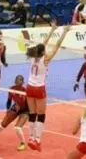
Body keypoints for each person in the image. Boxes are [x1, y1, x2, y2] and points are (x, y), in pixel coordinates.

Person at [26, 21, 71, 152]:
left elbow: (42, 44)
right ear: (43, 52)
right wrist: (64, 32)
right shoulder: (45, 59)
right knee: (41, 114)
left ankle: (31, 138)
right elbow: (56, 46)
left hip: (29, 86)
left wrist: (52, 30)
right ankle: (38, 140)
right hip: (39, 88)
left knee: (32, 113)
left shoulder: (32, 57)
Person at [0, 75, 28, 151]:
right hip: (16, 107)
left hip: (25, 110)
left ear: (22, 83)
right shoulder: (12, 89)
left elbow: (30, 104)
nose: (19, 84)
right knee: (3, 124)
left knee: (17, 127)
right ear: (15, 82)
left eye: (20, 83)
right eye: (17, 83)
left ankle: (23, 143)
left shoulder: (25, 91)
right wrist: (8, 109)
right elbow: (9, 101)